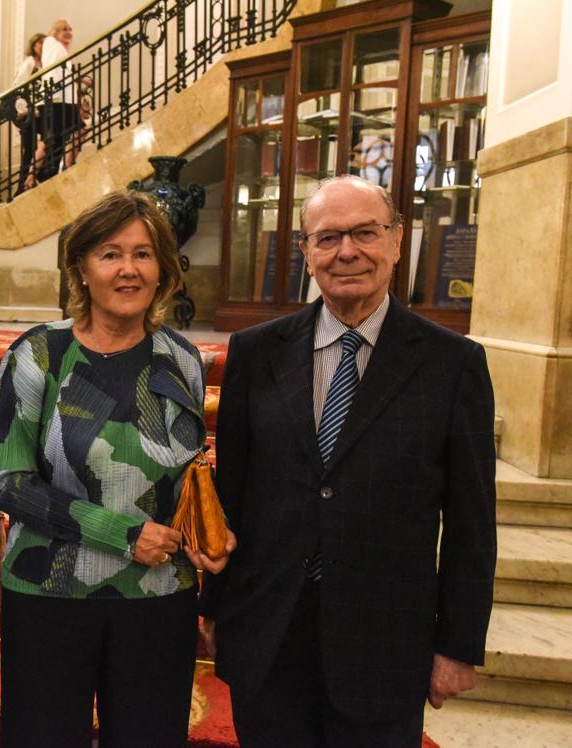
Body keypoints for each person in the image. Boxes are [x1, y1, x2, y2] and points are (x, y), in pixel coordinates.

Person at [198, 174, 496, 746]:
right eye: (329, 237)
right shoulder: (257, 354)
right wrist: (218, 609)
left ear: (397, 241)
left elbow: (471, 524)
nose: (348, 252)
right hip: (269, 631)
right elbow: (229, 496)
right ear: (306, 252)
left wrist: (457, 645)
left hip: (386, 644)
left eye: (365, 233)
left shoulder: (453, 365)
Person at [0, 190, 234, 747]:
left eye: (144, 254)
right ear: (81, 267)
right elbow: (5, 481)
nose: (129, 269)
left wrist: (206, 532)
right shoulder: (39, 353)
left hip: (158, 597)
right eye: (110, 254)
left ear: (163, 268)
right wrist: (121, 534)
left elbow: (191, 472)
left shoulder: (181, 359)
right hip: (51, 592)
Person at [36, 18, 83, 183]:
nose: (69, 32)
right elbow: (54, 71)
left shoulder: (62, 50)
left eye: (70, 29)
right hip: (55, 100)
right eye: (64, 29)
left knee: (65, 137)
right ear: (55, 32)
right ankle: (33, 178)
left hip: (64, 101)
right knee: (50, 142)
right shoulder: (51, 43)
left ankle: (61, 170)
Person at [10, 32, 46, 194]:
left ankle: (32, 179)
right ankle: (22, 187)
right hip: (28, 113)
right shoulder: (29, 63)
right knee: (29, 149)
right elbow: (18, 85)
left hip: (39, 110)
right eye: (40, 43)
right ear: (33, 46)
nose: (42, 47)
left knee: (44, 142)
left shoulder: (45, 64)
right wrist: (24, 108)